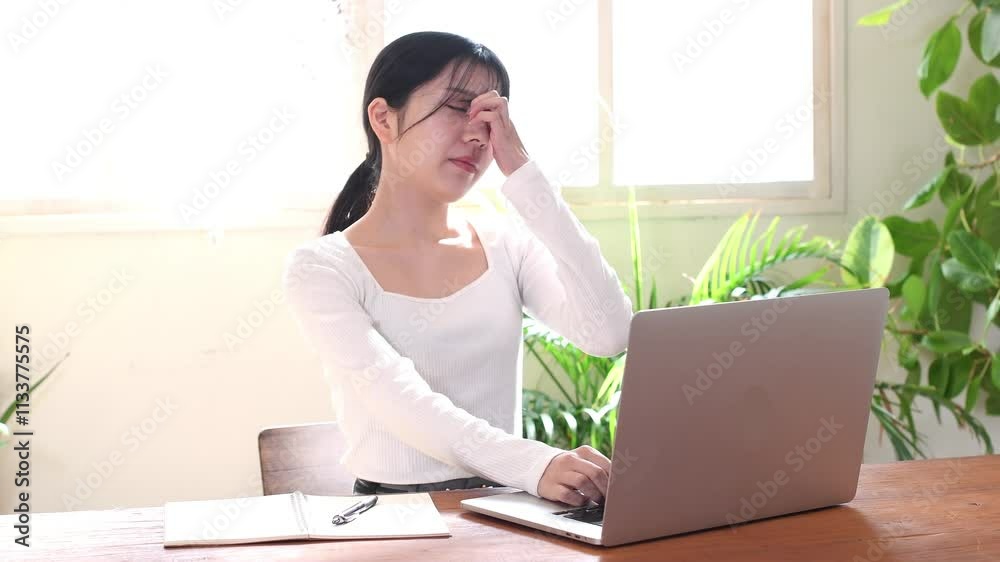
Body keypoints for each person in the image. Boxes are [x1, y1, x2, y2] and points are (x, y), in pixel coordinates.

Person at [282, 31, 633, 507]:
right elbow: (400, 400)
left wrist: (524, 173)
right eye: (457, 107)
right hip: (392, 516)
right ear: (383, 118)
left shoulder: (507, 246)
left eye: (491, 117)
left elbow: (609, 333)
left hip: (507, 508)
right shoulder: (321, 268)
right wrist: (535, 464)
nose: (478, 134)